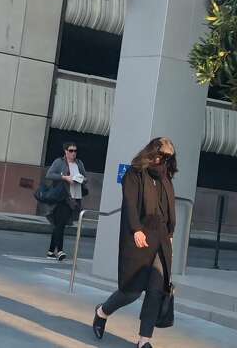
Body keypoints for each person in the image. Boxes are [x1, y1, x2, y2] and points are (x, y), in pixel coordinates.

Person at [93, 137, 177, 348]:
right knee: (131, 291)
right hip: (140, 237)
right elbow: (130, 204)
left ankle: (144, 340)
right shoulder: (134, 173)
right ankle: (102, 311)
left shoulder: (166, 177)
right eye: (162, 155)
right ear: (152, 152)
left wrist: (171, 237)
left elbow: (168, 211)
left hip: (161, 240)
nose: (164, 159)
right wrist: (136, 230)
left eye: (168, 157)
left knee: (156, 290)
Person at [44, 141, 88, 261]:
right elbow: (49, 174)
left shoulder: (79, 163)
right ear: (65, 151)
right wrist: (64, 177)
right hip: (63, 197)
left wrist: (81, 179)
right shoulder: (59, 162)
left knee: (60, 224)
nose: (73, 153)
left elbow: (85, 178)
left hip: (75, 197)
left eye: (75, 151)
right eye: (71, 150)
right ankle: (60, 251)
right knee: (60, 224)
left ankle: (51, 251)